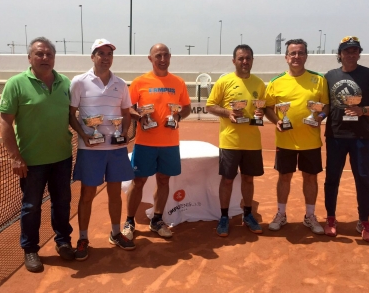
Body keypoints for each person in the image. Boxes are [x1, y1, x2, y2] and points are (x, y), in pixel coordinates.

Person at [0, 37, 74, 273]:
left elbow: (72, 116)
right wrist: (15, 156)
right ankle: (30, 249)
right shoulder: (16, 83)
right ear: (30, 58)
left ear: (54, 57)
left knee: (62, 203)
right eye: (39, 54)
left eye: (49, 54)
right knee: (31, 206)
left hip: (62, 157)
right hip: (31, 162)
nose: (44, 58)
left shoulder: (64, 83)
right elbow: (5, 121)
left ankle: (63, 241)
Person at [69, 38, 136, 260]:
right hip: (90, 150)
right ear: (92, 56)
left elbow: (126, 112)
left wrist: (124, 133)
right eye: (101, 53)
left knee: (115, 193)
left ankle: (116, 233)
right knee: (87, 195)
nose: (105, 58)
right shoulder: (79, 82)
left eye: (109, 54)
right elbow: (71, 113)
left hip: (115, 149)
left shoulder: (121, 84)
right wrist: (84, 136)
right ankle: (83, 238)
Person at [122, 43, 191, 240]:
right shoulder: (140, 82)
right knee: (139, 181)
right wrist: (140, 117)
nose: (162, 59)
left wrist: (178, 117)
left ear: (170, 57)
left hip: (170, 143)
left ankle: (157, 220)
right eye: (158, 55)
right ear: (150, 59)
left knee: (163, 180)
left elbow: (185, 107)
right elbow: (127, 107)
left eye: (165, 55)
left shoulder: (178, 82)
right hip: (145, 143)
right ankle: (129, 221)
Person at [323, 36, 369, 243]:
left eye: (354, 50)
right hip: (335, 135)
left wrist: (362, 110)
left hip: (361, 137)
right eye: (347, 51)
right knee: (332, 179)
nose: (351, 54)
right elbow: (325, 106)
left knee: (364, 179)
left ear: (359, 53)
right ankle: (331, 218)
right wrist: (315, 117)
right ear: (339, 54)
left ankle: (364, 221)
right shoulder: (329, 76)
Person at [264, 39, 329, 235]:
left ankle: (310, 216)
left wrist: (320, 118)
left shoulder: (319, 80)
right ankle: (281, 214)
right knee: (284, 177)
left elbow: (326, 106)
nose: (296, 57)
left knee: (310, 178)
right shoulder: (276, 82)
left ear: (306, 56)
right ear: (286, 57)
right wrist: (276, 120)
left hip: (310, 141)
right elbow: (267, 107)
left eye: (300, 53)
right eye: (292, 53)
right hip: (285, 141)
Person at [205, 44, 266, 237]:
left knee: (248, 179)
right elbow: (210, 106)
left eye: (248, 58)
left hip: (252, 142)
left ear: (252, 60)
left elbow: (262, 109)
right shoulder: (224, 82)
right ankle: (224, 217)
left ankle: (247, 214)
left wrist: (260, 112)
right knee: (228, 180)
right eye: (241, 58)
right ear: (234, 61)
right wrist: (227, 112)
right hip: (230, 141)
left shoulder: (259, 84)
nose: (245, 62)